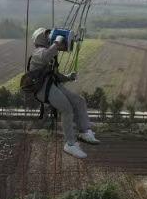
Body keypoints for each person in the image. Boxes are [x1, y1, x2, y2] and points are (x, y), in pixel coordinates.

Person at [28, 27, 98, 159]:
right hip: (43, 89)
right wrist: (57, 42)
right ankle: (70, 144)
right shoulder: (38, 52)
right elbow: (45, 56)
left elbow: (55, 75)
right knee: (67, 109)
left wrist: (68, 77)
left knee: (79, 101)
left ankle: (84, 131)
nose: (52, 37)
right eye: (49, 35)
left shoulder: (50, 54)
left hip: (52, 85)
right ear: (42, 39)